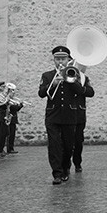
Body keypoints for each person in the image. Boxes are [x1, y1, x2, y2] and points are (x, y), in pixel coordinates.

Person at [38, 46, 88, 185]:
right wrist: (53, 84)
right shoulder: (47, 75)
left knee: (68, 146)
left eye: (63, 58)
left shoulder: (74, 74)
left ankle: (66, 168)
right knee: (54, 145)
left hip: (70, 115)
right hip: (53, 115)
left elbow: (82, 91)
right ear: (54, 60)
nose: (60, 61)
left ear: (68, 59)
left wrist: (69, 80)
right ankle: (57, 173)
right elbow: (41, 93)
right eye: (57, 58)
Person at [71, 68, 95, 173]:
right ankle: (65, 165)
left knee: (78, 141)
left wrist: (78, 84)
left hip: (79, 113)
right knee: (65, 141)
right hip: (66, 113)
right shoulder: (62, 77)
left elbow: (90, 92)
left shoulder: (83, 78)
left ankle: (77, 163)